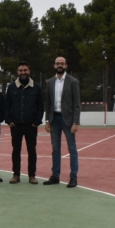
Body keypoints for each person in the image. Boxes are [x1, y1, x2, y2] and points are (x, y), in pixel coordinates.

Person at [43, 57, 81, 188]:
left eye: (62, 63)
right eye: (58, 63)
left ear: (66, 65)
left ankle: (73, 177)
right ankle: (55, 176)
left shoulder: (73, 82)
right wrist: (47, 120)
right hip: (54, 119)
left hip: (68, 120)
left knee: (72, 148)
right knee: (55, 149)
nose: (60, 65)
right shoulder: (49, 82)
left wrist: (76, 122)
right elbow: (48, 103)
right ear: (54, 65)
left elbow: (77, 104)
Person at [5, 61, 44, 184]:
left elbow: (40, 106)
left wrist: (37, 122)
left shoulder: (37, 87)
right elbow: (7, 105)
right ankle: (16, 175)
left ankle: (32, 176)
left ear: (29, 71)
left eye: (25, 70)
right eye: (21, 70)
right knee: (16, 151)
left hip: (31, 125)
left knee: (32, 151)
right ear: (17, 72)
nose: (23, 73)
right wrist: (9, 120)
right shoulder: (11, 87)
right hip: (15, 125)